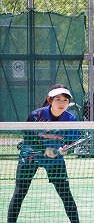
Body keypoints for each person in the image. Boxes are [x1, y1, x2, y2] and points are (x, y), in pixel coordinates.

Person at [8, 84, 81, 223]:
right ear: (50, 100)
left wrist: (67, 149)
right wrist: (44, 150)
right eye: (58, 99)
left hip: (55, 160)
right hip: (30, 157)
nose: (61, 103)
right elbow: (28, 138)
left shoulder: (71, 119)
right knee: (19, 193)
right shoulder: (36, 115)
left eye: (65, 100)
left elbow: (72, 142)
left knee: (66, 195)